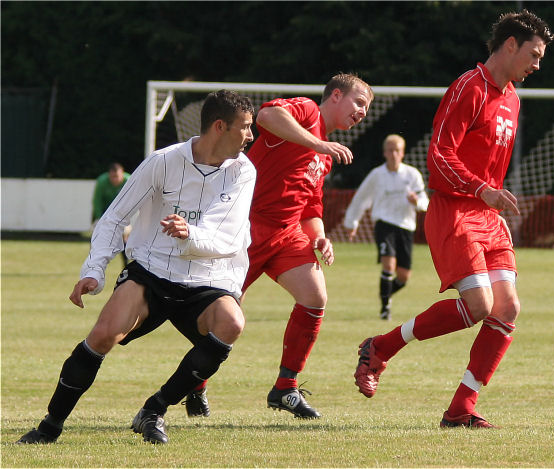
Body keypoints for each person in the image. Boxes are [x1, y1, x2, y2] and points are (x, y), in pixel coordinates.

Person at [16, 90, 257, 445]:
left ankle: (154, 410)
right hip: (152, 271)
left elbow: (230, 239)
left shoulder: (243, 171)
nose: (251, 136)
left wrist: (189, 235)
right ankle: (49, 427)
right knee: (102, 335)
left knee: (231, 324)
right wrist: (94, 270)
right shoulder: (163, 161)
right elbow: (115, 218)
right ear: (219, 126)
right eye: (246, 127)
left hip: (208, 277)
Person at [354, 10, 554, 428]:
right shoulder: (470, 87)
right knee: (480, 305)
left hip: (488, 216)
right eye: (534, 54)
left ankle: (461, 407)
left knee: (508, 308)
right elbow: (438, 158)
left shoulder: (513, 99)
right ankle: (381, 347)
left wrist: (491, 195)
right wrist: (481, 188)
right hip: (455, 211)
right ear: (510, 45)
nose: (537, 64)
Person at [233, 73, 373, 419]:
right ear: (336, 95)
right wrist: (318, 143)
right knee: (226, 314)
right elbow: (266, 116)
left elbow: (310, 206)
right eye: (359, 102)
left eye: (366, 109)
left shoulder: (324, 155)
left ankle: (285, 388)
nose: (362, 113)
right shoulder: (308, 112)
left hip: (286, 234)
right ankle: (196, 383)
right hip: (245, 227)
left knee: (315, 298)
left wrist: (319, 237)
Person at [343, 134, 429, 320]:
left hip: (406, 226)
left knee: (404, 276)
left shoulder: (412, 175)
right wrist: (352, 222)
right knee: (388, 263)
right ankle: (385, 309)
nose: (393, 154)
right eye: (390, 150)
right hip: (384, 223)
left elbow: (425, 202)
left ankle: (385, 293)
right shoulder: (377, 175)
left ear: (403, 153)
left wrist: (417, 202)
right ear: (384, 153)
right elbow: (361, 198)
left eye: (397, 150)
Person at [92, 162, 131, 265]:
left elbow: (131, 202)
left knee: (123, 238)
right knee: (97, 238)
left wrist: (126, 217)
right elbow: (97, 201)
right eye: (112, 177)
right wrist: (99, 219)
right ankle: (93, 263)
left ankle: (126, 264)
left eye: (117, 176)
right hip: (104, 213)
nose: (115, 179)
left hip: (122, 214)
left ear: (122, 174)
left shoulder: (129, 181)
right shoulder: (102, 181)